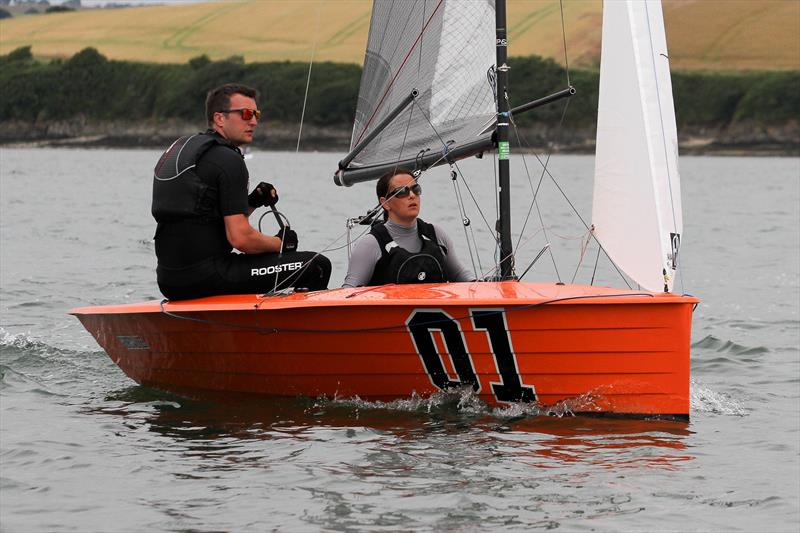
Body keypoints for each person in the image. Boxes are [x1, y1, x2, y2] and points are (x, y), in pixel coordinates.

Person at [152, 83, 331, 300]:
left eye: (256, 114)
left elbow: (206, 221)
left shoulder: (185, 151)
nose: (254, 121)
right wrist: (281, 244)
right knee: (317, 265)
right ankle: (287, 331)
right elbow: (241, 239)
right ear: (220, 118)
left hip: (169, 282)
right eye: (246, 114)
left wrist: (253, 201)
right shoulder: (229, 160)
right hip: (209, 276)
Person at [343, 169, 474, 287]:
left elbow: (460, 275)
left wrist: (481, 285)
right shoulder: (370, 244)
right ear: (385, 203)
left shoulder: (436, 234)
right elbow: (349, 292)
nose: (412, 195)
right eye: (402, 192)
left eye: (416, 189)